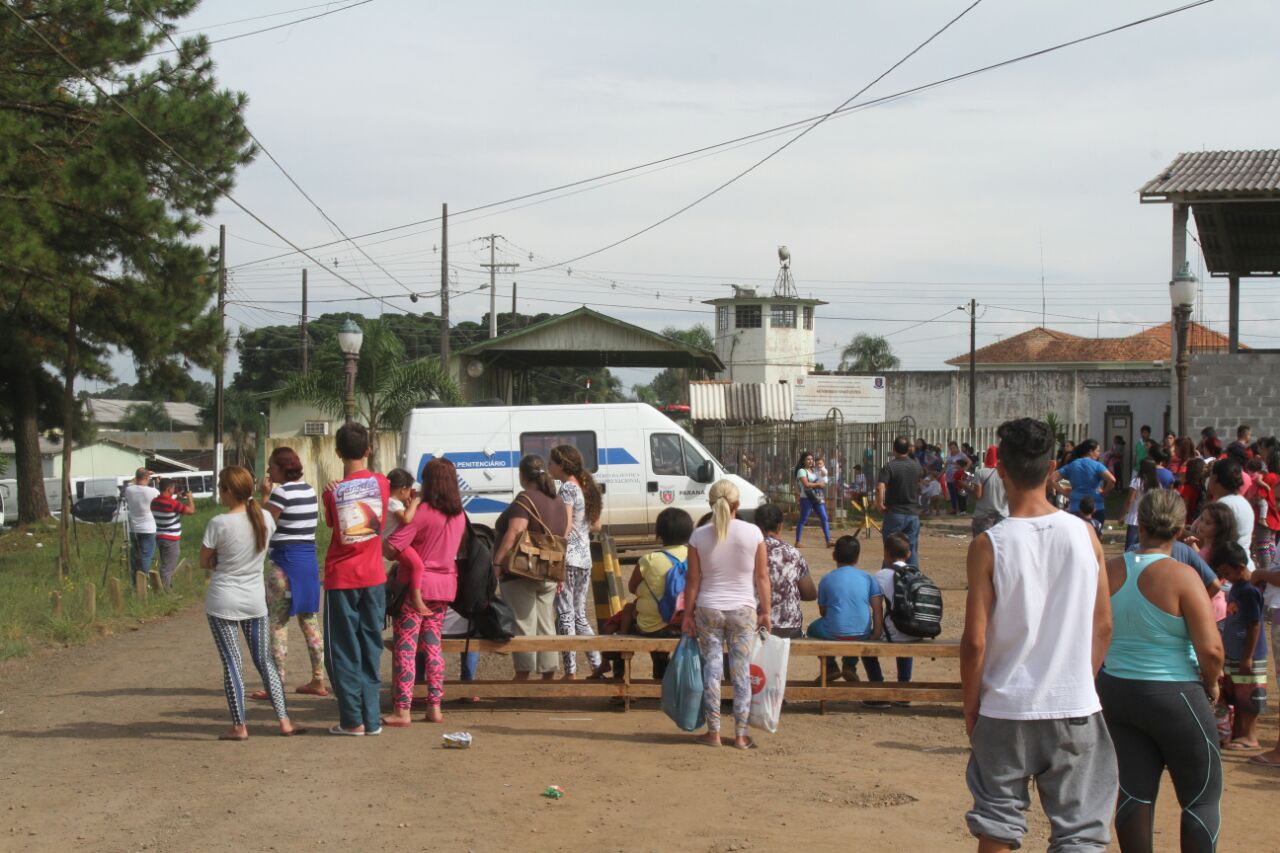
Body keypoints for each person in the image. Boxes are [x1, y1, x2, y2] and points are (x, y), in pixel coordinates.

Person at [961, 418, 1117, 853]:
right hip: (1073, 704)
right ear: (1053, 469)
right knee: (1081, 831)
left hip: (1005, 704)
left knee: (997, 820)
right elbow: (1102, 624)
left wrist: (971, 703)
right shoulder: (1085, 534)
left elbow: (975, 641)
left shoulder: (989, 544)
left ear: (1002, 471)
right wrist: (1077, 679)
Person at [1096, 489, 1223, 852]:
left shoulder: (1110, 569)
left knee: (1134, 792)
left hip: (1118, 691)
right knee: (1201, 797)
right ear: (1182, 528)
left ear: (1141, 521)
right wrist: (1211, 683)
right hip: (1174, 693)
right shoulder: (1182, 576)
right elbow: (1211, 649)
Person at [199, 466, 303, 740]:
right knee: (265, 661)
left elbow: (203, 561)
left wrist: (217, 560)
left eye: (221, 488)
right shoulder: (266, 518)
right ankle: (284, 720)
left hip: (223, 601)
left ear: (229, 492)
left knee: (232, 662)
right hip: (254, 601)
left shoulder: (218, 523)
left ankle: (239, 725)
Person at [681, 479, 770, 750]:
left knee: (713, 669)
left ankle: (714, 732)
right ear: (737, 505)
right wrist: (766, 611)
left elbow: (693, 580)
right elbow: (762, 577)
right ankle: (741, 735)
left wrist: (687, 614)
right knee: (741, 672)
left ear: (711, 504)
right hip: (743, 609)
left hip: (708, 608)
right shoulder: (754, 533)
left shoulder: (698, 536)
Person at [383, 457, 467, 726]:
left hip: (414, 589)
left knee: (406, 647)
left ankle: (403, 710)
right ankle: (435, 706)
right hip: (444, 587)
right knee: (433, 646)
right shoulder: (459, 515)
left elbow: (391, 547)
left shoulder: (422, 513)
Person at [321, 423, 390, 737]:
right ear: (369, 450)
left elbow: (332, 525)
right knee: (370, 646)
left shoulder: (333, 492)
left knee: (343, 650)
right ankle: (372, 719)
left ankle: (352, 720)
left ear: (337, 453)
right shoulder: (382, 484)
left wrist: (332, 490)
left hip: (342, 579)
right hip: (374, 577)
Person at [257, 448, 326, 700]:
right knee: (310, 622)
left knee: (277, 623)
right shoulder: (309, 490)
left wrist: (264, 497)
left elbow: (265, 523)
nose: (268, 471)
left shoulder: (281, 493)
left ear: (282, 468)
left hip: (283, 562)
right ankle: (318, 678)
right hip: (307, 562)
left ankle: (276, 682)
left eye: (271, 466)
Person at [493, 455, 566, 681]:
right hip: (549, 570)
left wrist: (497, 563)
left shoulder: (525, 499)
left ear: (523, 476)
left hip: (521, 571)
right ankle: (547, 675)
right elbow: (562, 536)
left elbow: (514, 531)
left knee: (523, 623)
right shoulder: (558, 501)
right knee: (546, 625)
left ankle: (522, 677)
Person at [548, 444, 603, 680]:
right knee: (578, 614)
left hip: (568, 558)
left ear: (561, 465)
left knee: (564, 613)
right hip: (584, 558)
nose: (548, 467)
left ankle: (570, 670)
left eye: (551, 463)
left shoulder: (568, 489)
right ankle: (598, 665)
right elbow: (596, 525)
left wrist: (555, 552)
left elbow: (566, 525)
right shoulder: (584, 486)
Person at [624, 506, 693, 680]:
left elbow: (632, 588)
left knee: (628, 619)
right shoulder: (695, 557)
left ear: (659, 533)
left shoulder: (648, 560)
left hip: (651, 627)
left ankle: (621, 680)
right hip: (687, 624)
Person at [1212, 542, 1267, 751]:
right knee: (1237, 693)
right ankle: (1239, 733)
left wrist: (1247, 657)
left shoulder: (1249, 591)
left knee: (1249, 696)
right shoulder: (1237, 587)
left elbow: (1254, 625)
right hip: (1236, 653)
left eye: (1227, 572)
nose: (1225, 576)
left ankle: (1250, 736)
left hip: (1248, 654)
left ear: (1240, 567)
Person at [806, 536, 883, 684]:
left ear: (834, 556)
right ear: (857, 557)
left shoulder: (827, 579)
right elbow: (877, 608)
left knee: (812, 629)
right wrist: (877, 632)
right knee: (854, 630)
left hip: (833, 632)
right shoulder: (868, 578)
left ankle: (830, 665)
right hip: (863, 633)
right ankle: (849, 665)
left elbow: (824, 612)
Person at [863, 533, 918, 705]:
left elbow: (876, 608)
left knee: (866, 646)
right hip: (915, 630)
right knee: (904, 635)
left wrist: (875, 632)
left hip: (893, 633)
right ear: (909, 554)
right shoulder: (916, 573)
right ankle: (904, 689)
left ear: (886, 554)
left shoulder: (881, 575)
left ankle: (878, 688)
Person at [754, 502, 816, 640]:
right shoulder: (793, 553)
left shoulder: (747, 551)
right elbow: (810, 594)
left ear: (756, 527)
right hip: (788, 629)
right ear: (780, 526)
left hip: (754, 625)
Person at [877, 436, 924, 566]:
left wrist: (880, 504)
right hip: (912, 513)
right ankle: (912, 579)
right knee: (911, 549)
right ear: (908, 449)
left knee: (890, 550)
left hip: (894, 513)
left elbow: (880, 486)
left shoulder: (889, 467)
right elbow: (919, 485)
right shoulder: (916, 467)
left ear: (894, 449)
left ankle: (887, 579)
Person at [1206, 459, 1255, 573]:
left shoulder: (1223, 505)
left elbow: (1210, 539)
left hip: (1227, 572)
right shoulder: (1243, 502)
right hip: (1242, 566)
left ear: (1214, 478)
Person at [1057, 439, 1116, 528]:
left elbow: (1051, 480)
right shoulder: (1097, 465)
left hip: (1076, 506)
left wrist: (1064, 492)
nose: (1099, 454)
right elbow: (1112, 480)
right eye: (1098, 451)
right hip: (1096, 505)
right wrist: (1104, 493)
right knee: (1095, 537)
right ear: (1090, 451)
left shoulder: (1072, 465)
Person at [149, 478, 195, 590]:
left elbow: (170, 509)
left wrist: (177, 499)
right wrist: (190, 498)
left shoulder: (154, 502)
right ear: (169, 489)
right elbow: (191, 510)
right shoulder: (172, 503)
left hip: (159, 536)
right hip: (171, 539)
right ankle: (166, 591)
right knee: (168, 567)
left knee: (165, 564)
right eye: (173, 489)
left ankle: (163, 586)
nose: (174, 491)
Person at [123, 468, 159, 581]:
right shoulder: (152, 491)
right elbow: (160, 496)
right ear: (147, 478)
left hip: (133, 528)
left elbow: (132, 481)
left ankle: (135, 581)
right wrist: (157, 482)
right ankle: (143, 580)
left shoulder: (129, 489)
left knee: (135, 556)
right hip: (148, 528)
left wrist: (143, 474)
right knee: (146, 555)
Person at [793, 451, 832, 547]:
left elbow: (823, 477)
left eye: (811, 459)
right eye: (808, 459)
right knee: (803, 519)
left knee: (824, 517)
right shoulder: (802, 471)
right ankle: (797, 541)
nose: (810, 461)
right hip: (806, 498)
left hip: (818, 497)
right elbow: (806, 484)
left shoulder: (815, 470)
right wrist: (818, 484)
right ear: (803, 461)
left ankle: (828, 540)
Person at [969, 446, 1007, 537]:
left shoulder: (981, 473)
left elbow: (978, 495)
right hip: (1003, 516)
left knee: (981, 546)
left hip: (983, 516)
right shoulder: (1007, 473)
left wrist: (966, 487)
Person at [1122, 459, 1159, 553]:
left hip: (1135, 518)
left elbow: (1130, 499)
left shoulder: (1136, 481)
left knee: (1130, 546)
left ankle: (1129, 564)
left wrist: (1123, 515)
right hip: (1150, 518)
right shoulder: (1157, 483)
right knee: (1145, 546)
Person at [945, 441, 968, 515]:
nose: (952, 449)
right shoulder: (949, 455)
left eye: (954, 448)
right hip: (949, 477)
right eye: (951, 448)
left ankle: (961, 509)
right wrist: (940, 474)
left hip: (957, 478)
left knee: (959, 494)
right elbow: (946, 466)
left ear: (957, 447)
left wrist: (963, 470)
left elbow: (969, 462)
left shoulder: (961, 455)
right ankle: (954, 508)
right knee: (952, 493)